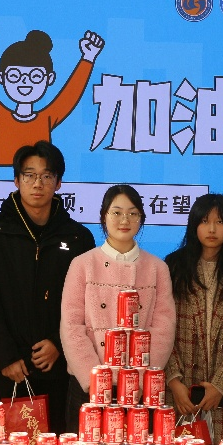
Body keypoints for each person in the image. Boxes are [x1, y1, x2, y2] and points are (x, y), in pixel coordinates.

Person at [0, 141, 96, 434]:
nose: (37, 183)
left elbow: (85, 305)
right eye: (29, 175)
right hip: (7, 370)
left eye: (46, 175)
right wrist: (5, 357)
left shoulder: (78, 238)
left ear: (58, 182)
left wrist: (58, 343)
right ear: (16, 180)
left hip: (57, 366)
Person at [60, 184, 176, 431]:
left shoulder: (157, 268)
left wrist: (141, 379)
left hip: (140, 388)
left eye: (133, 213)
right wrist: (94, 378)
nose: (125, 220)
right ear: (104, 216)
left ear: (141, 218)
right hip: (89, 385)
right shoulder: (82, 264)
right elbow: (71, 326)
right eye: (117, 212)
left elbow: (164, 328)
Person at [164, 193, 223, 443]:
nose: (212, 229)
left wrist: (221, 386)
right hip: (182, 389)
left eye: (220, 222)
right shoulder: (173, 267)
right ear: (194, 224)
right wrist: (174, 381)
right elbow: (163, 326)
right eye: (205, 221)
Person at [0, 22, 105, 166]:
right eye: (14, 76)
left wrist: (88, 57)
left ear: (49, 79)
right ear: (1, 77)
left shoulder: (46, 118)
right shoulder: (0, 116)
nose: (25, 81)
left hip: (38, 181)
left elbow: (70, 96)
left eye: (35, 76)